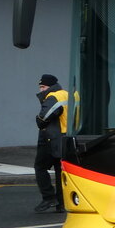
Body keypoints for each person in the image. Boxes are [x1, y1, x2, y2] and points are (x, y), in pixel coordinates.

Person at [33, 74, 68, 213]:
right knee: (60, 171)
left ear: (50, 86)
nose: (42, 90)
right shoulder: (68, 95)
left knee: (40, 167)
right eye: (40, 87)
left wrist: (39, 120)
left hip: (51, 138)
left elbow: (43, 118)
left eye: (43, 87)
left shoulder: (53, 97)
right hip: (66, 138)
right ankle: (61, 203)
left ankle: (48, 198)